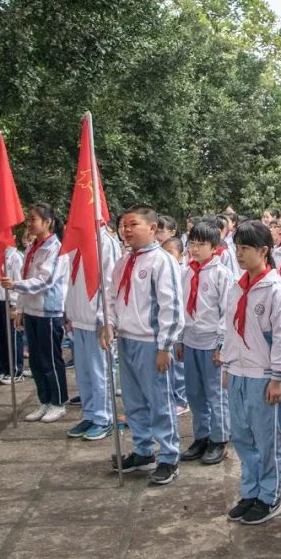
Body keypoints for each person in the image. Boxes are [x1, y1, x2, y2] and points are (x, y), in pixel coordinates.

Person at [101, 205, 185, 486]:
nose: (126, 230)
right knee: (134, 401)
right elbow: (111, 296)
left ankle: (169, 456)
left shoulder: (162, 262)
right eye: (123, 225)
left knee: (160, 401)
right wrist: (108, 323)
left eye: (132, 224)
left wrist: (165, 346)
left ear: (151, 228)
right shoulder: (123, 261)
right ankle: (143, 450)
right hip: (126, 339)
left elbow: (171, 306)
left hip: (151, 343)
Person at [222, 219, 281, 522]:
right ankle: (250, 491)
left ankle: (269, 496)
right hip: (238, 373)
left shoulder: (275, 289)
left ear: (264, 250)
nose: (239, 254)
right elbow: (228, 328)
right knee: (242, 436)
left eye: (246, 248)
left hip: (263, 376)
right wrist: (227, 365)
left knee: (266, 440)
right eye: (237, 248)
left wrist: (277, 377)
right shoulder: (237, 286)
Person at [2, 204, 70, 421]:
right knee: (36, 361)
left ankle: (58, 402)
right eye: (28, 219)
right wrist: (20, 307)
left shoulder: (56, 248)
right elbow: (26, 275)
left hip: (49, 311)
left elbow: (46, 280)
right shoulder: (33, 247)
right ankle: (44, 400)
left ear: (47, 222)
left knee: (50, 359)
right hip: (32, 310)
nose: (29, 223)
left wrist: (16, 285)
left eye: (33, 219)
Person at [177, 220, 233, 463]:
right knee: (194, 392)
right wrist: (179, 338)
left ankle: (219, 439)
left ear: (214, 247)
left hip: (212, 342)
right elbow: (181, 306)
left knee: (215, 394)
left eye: (202, 244)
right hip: (191, 339)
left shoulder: (221, 274)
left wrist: (222, 345)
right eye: (192, 244)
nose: (195, 249)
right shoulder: (187, 271)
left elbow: (227, 311)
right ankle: (202, 436)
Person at [62, 212, 120, 441]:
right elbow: (71, 280)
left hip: (96, 320)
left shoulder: (105, 243)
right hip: (79, 317)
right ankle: (89, 413)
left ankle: (103, 417)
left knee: (99, 371)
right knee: (83, 371)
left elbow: (109, 283)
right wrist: (70, 312)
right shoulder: (77, 244)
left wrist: (105, 320)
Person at [0, 236, 24, 385]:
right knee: (0, 337)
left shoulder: (15, 257)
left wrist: (15, 305)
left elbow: (19, 281)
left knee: (13, 337)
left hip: (9, 301)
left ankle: (16, 371)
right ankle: (4, 369)